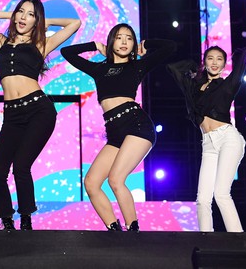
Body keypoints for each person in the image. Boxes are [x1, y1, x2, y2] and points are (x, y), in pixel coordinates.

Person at [0, 0, 80, 230]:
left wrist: (44, 21)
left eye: (30, 14)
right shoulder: (0, 42)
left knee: (21, 165)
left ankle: (26, 220)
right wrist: (8, 14)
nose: (23, 17)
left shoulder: (41, 45)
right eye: (20, 12)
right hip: (12, 115)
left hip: (38, 110)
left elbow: (75, 23)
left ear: (36, 21)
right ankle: (7, 221)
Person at [61, 25, 175, 232]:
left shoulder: (138, 66)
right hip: (114, 132)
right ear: (111, 41)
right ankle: (115, 231)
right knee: (91, 182)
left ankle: (133, 231)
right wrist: (95, 46)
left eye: (129, 38)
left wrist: (145, 44)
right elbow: (66, 52)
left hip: (137, 125)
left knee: (116, 179)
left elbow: (170, 47)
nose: (124, 42)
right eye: (119, 37)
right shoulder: (99, 69)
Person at [166, 45, 246, 232]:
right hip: (208, 143)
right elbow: (173, 68)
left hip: (228, 138)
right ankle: (206, 238)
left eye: (219, 59)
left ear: (224, 64)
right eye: (210, 58)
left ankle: (238, 240)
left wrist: (239, 53)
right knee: (203, 199)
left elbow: (242, 61)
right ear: (204, 61)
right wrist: (194, 66)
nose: (214, 62)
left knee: (221, 194)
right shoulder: (194, 87)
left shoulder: (228, 84)